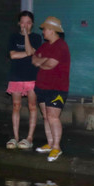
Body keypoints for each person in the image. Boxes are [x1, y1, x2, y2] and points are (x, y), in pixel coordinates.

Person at [31, 16, 70, 162]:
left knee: (53, 117)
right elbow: (34, 59)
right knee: (46, 116)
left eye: (45, 29)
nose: (43, 32)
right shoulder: (45, 45)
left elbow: (50, 64)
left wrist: (42, 61)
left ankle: (57, 147)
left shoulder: (61, 46)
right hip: (42, 86)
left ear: (53, 30)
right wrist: (42, 61)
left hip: (57, 88)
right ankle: (51, 143)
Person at [5, 11, 42, 149]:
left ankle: (29, 138)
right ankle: (15, 137)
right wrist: (26, 53)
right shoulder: (13, 37)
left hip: (32, 77)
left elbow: (31, 52)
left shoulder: (37, 38)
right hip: (16, 76)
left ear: (32, 24)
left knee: (32, 106)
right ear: (18, 23)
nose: (25, 25)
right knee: (16, 106)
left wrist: (26, 35)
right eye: (22, 22)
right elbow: (12, 55)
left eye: (28, 22)